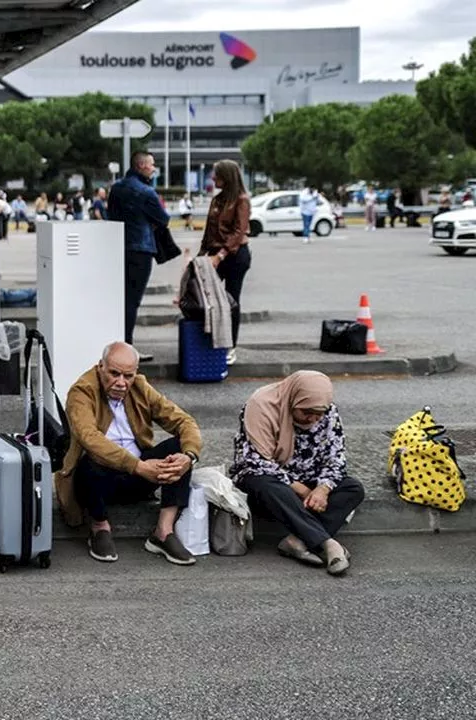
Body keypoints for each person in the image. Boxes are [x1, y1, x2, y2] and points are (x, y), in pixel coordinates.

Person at [55, 342, 202, 566]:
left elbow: (184, 421)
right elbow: (89, 438)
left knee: (178, 449)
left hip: (139, 477)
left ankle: (163, 531)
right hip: (99, 482)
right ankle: (99, 527)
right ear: (100, 367)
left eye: (128, 376)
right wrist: (139, 466)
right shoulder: (82, 391)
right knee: (91, 461)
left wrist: (189, 456)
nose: (121, 383)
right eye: (114, 374)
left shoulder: (139, 387)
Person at [230, 371, 363, 576]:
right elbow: (253, 460)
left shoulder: (328, 412)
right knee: (270, 487)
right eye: (306, 412)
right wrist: (299, 488)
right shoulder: (261, 405)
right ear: (293, 401)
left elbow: (336, 457)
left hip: (310, 481)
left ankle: (296, 540)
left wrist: (322, 489)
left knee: (353, 488)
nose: (313, 418)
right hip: (268, 479)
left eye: (319, 413)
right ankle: (328, 544)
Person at [107, 152, 170, 361]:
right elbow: (163, 219)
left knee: (119, 299)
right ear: (142, 165)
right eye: (152, 165)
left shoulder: (116, 189)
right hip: (140, 250)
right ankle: (127, 350)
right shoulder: (146, 192)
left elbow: (112, 217)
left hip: (117, 248)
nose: (154, 168)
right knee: (132, 301)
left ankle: (116, 346)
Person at [197, 159, 252, 366]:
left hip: (235, 255)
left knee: (231, 300)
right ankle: (210, 341)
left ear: (226, 177)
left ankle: (230, 346)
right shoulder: (218, 200)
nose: (213, 178)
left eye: (216, 175)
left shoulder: (241, 200)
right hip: (213, 254)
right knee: (205, 297)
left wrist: (220, 255)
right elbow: (209, 231)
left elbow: (239, 232)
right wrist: (201, 256)